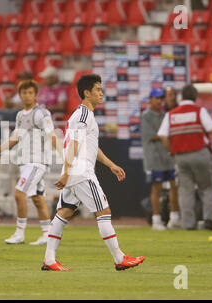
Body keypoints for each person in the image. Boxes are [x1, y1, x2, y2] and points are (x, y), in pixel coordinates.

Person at [41, 74, 145, 271]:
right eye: (98, 89)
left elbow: (91, 146)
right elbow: (74, 143)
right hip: (81, 173)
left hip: (74, 172)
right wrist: (68, 172)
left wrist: (110, 164)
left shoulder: (83, 115)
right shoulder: (83, 115)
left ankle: (49, 259)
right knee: (104, 211)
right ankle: (119, 258)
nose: (101, 93)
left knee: (64, 212)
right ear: (86, 92)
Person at [0, 80, 63, 245]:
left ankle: (20, 233)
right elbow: (14, 139)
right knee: (37, 198)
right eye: (24, 93)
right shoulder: (20, 115)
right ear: (20, 95)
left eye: (30, 92)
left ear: (35, 95)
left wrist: (64, 157)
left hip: (37, 161)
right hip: (25, 162)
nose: (27, 95)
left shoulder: (42, 114)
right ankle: (47, 234)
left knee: (19, 193)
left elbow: (52, 135)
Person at [157, 84, 212, 230]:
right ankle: (208, 219)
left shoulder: (171, 114)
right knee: (208, 187)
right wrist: (210, 143)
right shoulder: (199, 110)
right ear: (195, 97)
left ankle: (188, 224)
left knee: (185, 190)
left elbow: (162, 136)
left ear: (181, 97)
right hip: (200, 153)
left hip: (180, 156)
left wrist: (172, 150)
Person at [141, 88, 180, 230]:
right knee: (156, 189)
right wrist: (166, 137)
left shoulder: (166, 115)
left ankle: (174, 219)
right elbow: (153, 136)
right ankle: (156, 220)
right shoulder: (146, 116)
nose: (159, 101)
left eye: (161, 98)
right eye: (156, 98)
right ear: (150, 99)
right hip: (154, 158)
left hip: (168, 157)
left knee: (174, 187)